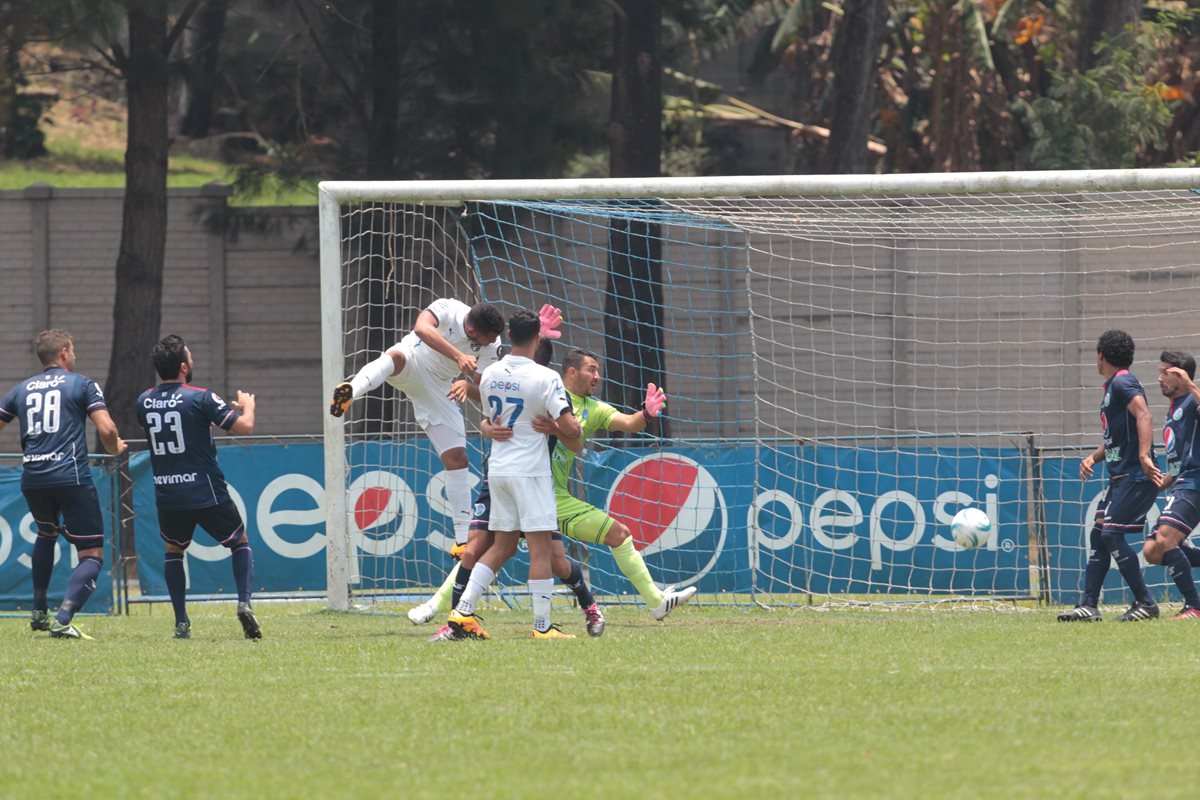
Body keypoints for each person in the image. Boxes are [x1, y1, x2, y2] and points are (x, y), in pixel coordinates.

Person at [410, 331, 607, 639]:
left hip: (528, 480)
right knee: (478, 548)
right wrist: (486, 424)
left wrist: (547, 427)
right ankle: (462, 620)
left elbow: (572, 439)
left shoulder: (541, 386)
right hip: (513, 477)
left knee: (551, 558)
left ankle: (589, 608)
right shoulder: (522, 379)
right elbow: (492, 404)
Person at [445, 309, 582, 640]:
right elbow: (572, 429)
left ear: (507, 335)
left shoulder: (491, 373)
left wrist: (487, 426)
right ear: (538, 338)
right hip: (529, 471)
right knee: (540, 550)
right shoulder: (546, 377)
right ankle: (542, 628)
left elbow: (489, 415)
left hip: (499, 470)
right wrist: (559, 426)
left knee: (502, 546)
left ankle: (462, 611)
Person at [329, 299, 505, 551]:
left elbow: (482, 388)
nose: (493, 342)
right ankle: (350, 390)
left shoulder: (492, 345)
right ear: (473, 331)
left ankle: (462, 540)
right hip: (414, 358)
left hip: (439, 387)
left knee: (458, 457)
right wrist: (458, 356)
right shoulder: (449, 308)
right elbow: (421, 327)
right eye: (490, 337)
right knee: (395, 356)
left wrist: (468, 385)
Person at [550, 348, 696, 620]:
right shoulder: (549, 393)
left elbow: (629, 423)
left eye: (598, 370)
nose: (597, 376)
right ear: (571, 372)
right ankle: (448, 608)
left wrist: (647, 413)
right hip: (524, 489)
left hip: (554, 499)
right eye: (591, 369)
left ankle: (656, 602)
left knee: (619, 535)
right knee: (489, 550)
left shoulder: (593, 408)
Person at [0, 329, 126, 639]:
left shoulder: (21, 389)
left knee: (46, 531)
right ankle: (63, 617)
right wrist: (115, 449)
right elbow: (107, 429)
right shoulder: (82, 384)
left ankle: (39, 610)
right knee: (92, 554)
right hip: (70, 476)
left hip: (33, 478)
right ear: (65, 352)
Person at [136, 335, 261, 640]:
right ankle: (244, 604)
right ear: (182, 366)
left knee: (174, 550)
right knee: (239, 542)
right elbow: (244, 427)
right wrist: (248, 407)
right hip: (205, 489)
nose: (192, 361)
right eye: (190, 357)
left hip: (168, 491)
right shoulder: (201, 397)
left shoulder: (143, 400)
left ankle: (181, 621)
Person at [1059, 330, 1162, 622]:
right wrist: (1093, 456)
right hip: (1120, 477)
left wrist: (1143, 456)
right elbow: (1117, 435)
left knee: (1111, 534)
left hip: (1135, 477)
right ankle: (1088, 605)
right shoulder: (1114, 386)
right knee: (1099, 535)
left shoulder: (1123, 381)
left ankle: (1146, 603)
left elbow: (1144, 415)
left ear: (1100, 355)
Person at [1142, 351, 1200, 619]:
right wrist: (1155, 485)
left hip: (1196, 483)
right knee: (1152, 550)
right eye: (1160, 372)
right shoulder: (1174, 409)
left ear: (1181, 375)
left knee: (1165, 540)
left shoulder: (1191, 400)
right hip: (1182, 483)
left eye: (1166, 372)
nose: (1159, 378)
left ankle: (1194, 607)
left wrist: (1190, 384)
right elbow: (1176, 469)